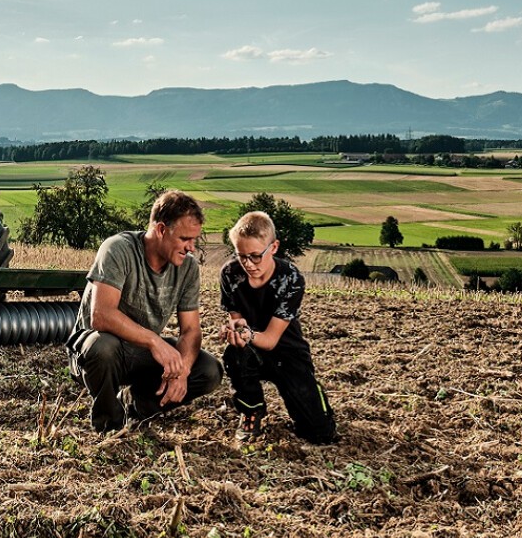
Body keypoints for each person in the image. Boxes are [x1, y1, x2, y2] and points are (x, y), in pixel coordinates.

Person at [66, 190, 223, 432]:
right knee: (103, 347)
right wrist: (154, 341)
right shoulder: (118, 249)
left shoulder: (188, 268)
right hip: (96, 352)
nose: (191, 247)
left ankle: (137, 406)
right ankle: (109, 425)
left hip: (140, 353)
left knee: (208, 370)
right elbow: (101, 315)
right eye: (184, 239)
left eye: (194, 239)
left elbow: (191, 330)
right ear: (161, 230)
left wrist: (182, 371)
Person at [219, 210, 337, 444]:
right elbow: (237, 318)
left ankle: (313, 399)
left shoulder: (291, 278)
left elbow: (272, 340)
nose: (248, 264)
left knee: (320, 434)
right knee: (234, 354)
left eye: (255, 256)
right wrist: (235, 330)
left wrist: (247, 333)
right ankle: (251, 411)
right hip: (252, 351)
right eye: (241, 256)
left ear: (273, 248)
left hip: (287, 351)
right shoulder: (230, 274)